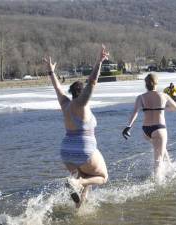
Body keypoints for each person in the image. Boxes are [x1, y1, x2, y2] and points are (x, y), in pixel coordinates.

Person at [43, 45, 109, 208]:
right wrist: (99, 61)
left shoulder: (65, 103)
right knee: (102, 176)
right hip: (83, 149)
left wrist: (51, 72)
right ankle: (77, 184)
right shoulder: (81, 104)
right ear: (82, 92)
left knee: (86, 177)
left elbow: (57, 88)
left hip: (66, 152)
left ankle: (79, 207)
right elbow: (92, 82)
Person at [122, 74, 176, 178]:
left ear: (146, 84)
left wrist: (128, 126)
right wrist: (162, 109)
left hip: (146, 131)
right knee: (158, 160)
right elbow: (175, 108)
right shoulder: (163, 95)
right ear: (156, 83)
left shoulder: (141, 97)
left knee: (159, 148)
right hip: (159, 129)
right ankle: (158, 184)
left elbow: (135, 112)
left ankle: (169, 165)